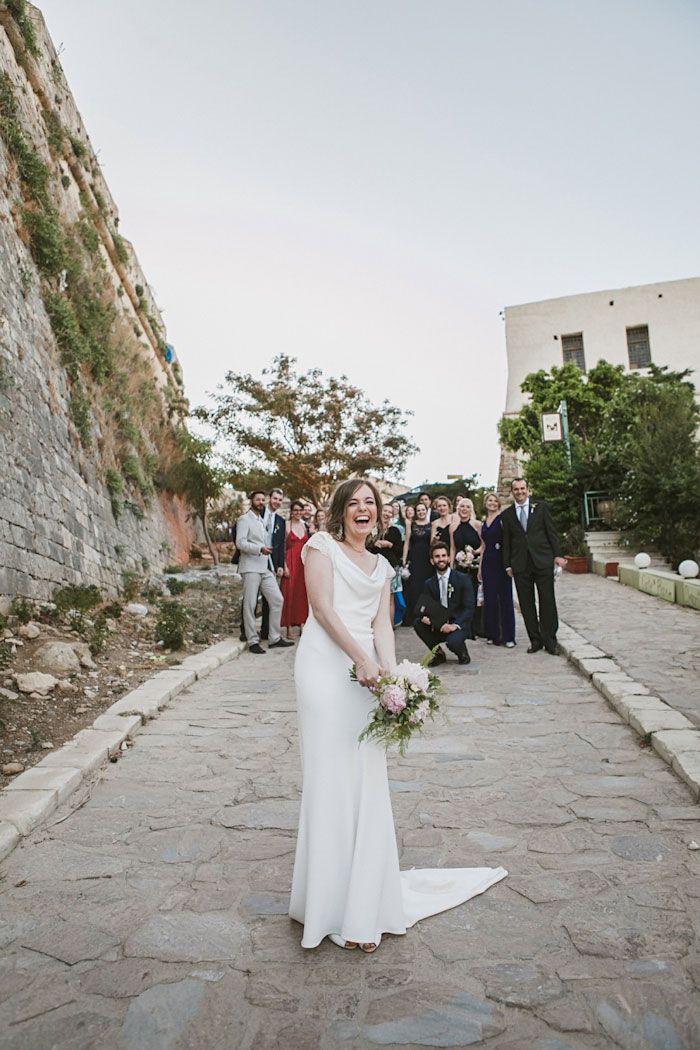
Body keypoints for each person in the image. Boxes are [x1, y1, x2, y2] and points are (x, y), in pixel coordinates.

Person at [289, 479, 506, 952]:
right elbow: (324, 610)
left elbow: (382, 626)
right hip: (325, 667)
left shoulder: (384, 566)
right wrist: (360, 661)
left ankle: (364, 904)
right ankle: (324, 904)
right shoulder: (320, 547)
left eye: (370, 503)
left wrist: (393, 678)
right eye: (354, 503)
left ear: (380, 513)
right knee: (329, 777)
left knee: (366, 779)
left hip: (367, 674)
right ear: (341, 511)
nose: (362, 510)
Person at [501, 478, 567, 655]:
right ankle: (535, 640)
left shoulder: (541, 508)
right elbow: (507, 541)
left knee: (547, 601)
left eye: (522, 488)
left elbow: (551, 532)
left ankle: (550, 640)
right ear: (512, 492)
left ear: (528, 490)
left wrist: (558, 555)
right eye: (516, 489)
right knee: (526, 604)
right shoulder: (507, 515)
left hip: (542, 560)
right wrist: (507, 564)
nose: (520, 492)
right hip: (521, 565)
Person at [236, 491, 294, 654]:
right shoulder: (244, 519)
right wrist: (258, 549)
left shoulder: (262, 520)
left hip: (265, 567)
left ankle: (274, 637)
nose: (261, 502)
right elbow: (240, 543)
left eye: (262, 500)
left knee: (277, 600)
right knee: (250, 604)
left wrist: (274, 566)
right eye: (258, 499)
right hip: (250, 567)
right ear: (251, 501)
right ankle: (252, 640)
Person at [413, 541, 474, 665]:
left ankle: (462, 651)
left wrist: (455, 625)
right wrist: (426, 617)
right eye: (437, 556)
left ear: (449, 558)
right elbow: (427, 606)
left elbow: (469, 608)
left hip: (457, 623)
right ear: (432, 561)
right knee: (418, 623)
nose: (441, 559)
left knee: (453, 642)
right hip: (438, 624)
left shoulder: (462, 579)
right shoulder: (429, 583)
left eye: (443, 555)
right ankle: (439, 654)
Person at [478, 492, 516, 647]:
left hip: (501, 561)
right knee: (490, 598)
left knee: (505, 598)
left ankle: (508, 636)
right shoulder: (483, 522)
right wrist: (480, 566)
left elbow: (509, 541)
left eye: (495, 501)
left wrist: (510, 564)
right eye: (489, 500)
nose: (492, 503)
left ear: (499, 504)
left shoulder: (502, 520)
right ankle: (492, 634)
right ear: (485, 503)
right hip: (487, 562)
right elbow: (483, 547)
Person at [371, 503, 404, 625]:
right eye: (385, 511)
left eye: (390, 512)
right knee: (376, 597)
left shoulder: (395, 530)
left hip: (391, 566)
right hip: (374, 566)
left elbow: (399, 550)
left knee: (390, 598)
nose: (387, 514)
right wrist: (374, 544)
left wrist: (389, 545)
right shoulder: (372, 528)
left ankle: (389, 626)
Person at [260, 487, 286, 641]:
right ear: (270, 498)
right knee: (250, 599)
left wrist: (279, 565)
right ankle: (245, 631)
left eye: (280, 500)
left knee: (270, 598)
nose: (277, 502)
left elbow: (281, 545)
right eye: (275, 498)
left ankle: (266, 631)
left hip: (270, 564)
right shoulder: (259, 514)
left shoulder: (281, 521)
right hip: (254, 560)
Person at [281, 500, 310, 639]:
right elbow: (282, 547)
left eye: (300, 510)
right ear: (291, 511)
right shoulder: (286, 525)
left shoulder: (305, 526)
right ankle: (288, 627)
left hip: (303, 563)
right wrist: (284, 565)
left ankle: (302, 623)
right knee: (289, 593)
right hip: (290, 561)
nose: (298, 513)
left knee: (302, 594)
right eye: (296, 510)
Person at [401, 501, 432, 625]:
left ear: (426, 510)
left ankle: (426, 614)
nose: (421, 512)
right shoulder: (411, 525)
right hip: (414, 558)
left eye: (423, 510)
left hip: (427, 558)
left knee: (426, 586)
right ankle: (414, 616)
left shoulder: (431, 525)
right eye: (418, 510)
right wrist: (404, 559)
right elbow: (407, 542)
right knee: (414, 587)